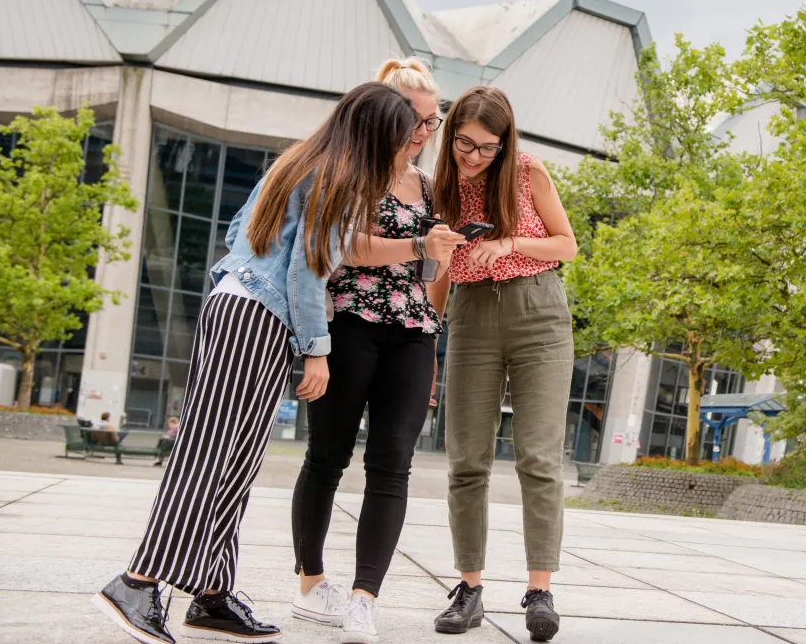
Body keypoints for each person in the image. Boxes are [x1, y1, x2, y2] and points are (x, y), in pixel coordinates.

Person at [92, 84, 421, 644]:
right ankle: (137, 582)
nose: (406, 148)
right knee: (208, 454)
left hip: (238, 308)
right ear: (375, 135)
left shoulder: (301, 160)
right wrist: (318, 350)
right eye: (400, 137)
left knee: (237, 462)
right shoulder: (339, 177)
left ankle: (211, 593)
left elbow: (235, 233)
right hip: (255, 318)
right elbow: (306, 270)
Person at [289, 58, 464, 644]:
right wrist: (417, 242)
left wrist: (441, 255)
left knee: (393, 465)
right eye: (414, 118)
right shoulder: (350, 175)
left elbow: (433, 271)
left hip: (412, 331)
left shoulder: (433, 186)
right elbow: (343, 250)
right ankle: (312, 584)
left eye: (432, 122)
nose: (422, 131)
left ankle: (365, 597)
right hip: (350, 323)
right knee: (327, 457)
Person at [429, 87, 577, 641]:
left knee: (539, 457)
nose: (474, 156)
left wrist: (511, 242)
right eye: (465, 143)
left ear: (505, 142)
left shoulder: (527, 171)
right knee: (467, 458)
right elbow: (442, 267)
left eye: (487, 147)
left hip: (537, 311)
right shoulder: (441, 182)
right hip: (470, 315)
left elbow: (567, 245)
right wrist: (428, 334)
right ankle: (469, 589)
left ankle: (540, 591)